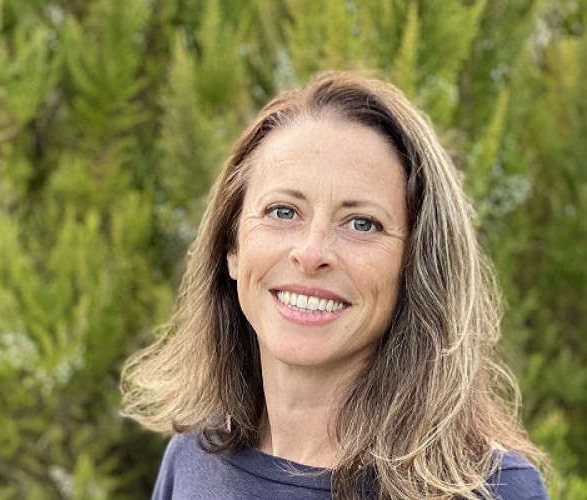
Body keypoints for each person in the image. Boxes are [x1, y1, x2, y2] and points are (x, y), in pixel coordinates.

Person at [121, 71, 549, 499]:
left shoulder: (491, 490)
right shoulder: (194, 458)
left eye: (362, 223)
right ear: (231, 247)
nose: (310, 253)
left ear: (415, 266)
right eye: (283, 211)